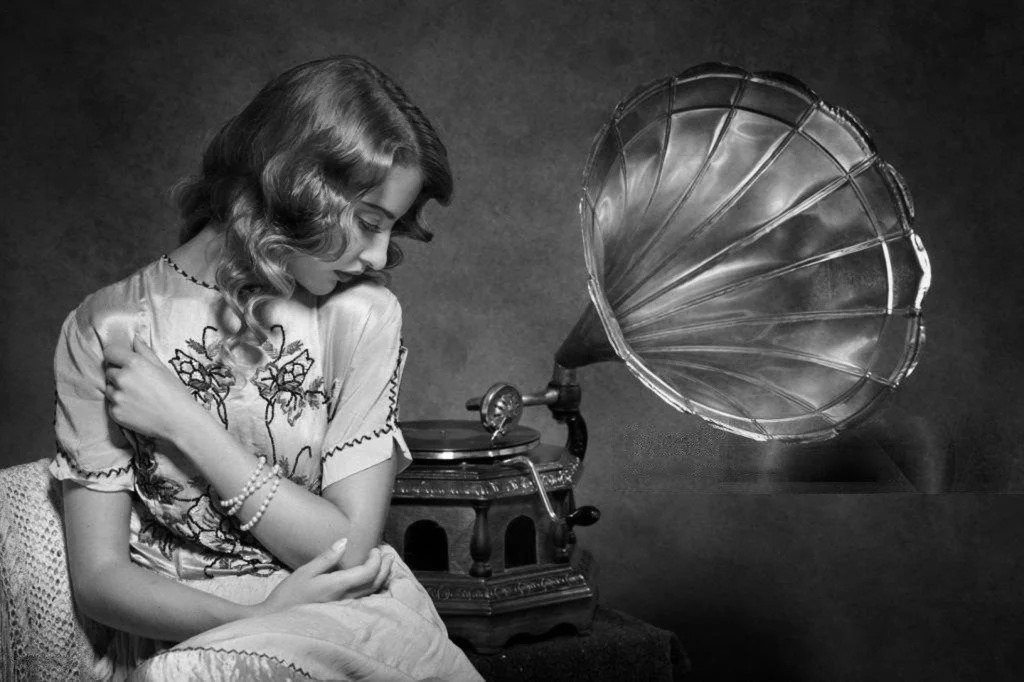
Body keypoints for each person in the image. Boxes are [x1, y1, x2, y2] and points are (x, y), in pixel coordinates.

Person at [50, 55, 483, 681]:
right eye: (368, 222)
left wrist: (184, 421)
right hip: (181, 635)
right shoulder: (106, 327)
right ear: (297, 184)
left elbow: (344, 550)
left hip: (344, 618)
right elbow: (100, 580)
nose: (380, 255)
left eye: (390, 230)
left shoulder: (362, 317)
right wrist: (257, 616)